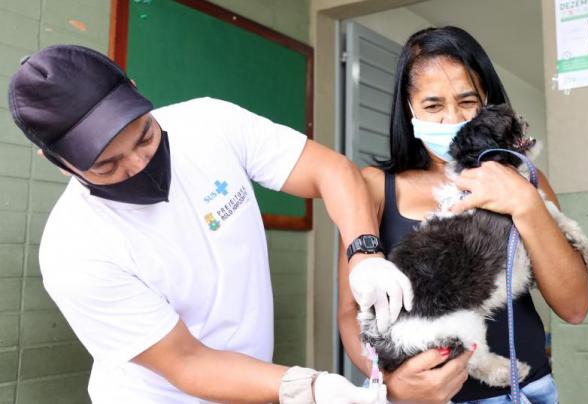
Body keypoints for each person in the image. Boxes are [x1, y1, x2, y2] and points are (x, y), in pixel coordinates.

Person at [7, 44, 412, 403]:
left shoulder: (207, 123)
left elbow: (331, 170)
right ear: (58, 163)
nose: (137, 166)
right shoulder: (74, 253)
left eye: (144, 137)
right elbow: (188, 363)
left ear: (134, 89)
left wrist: (365, 254)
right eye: (107, 165)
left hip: (253, 380)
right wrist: (310, 389)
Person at [337, 26, 588, 403]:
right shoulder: (375, 187)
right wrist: (390, 381)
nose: (452, 119)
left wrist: (525, 202)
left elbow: (574, 307)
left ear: (486, 100)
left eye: (467, 101)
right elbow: (349, 313)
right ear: (409, 108)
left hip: (525, 390)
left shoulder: (524, 181)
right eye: (433, 105)